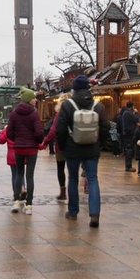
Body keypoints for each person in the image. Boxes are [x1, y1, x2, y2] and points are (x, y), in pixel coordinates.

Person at [56, 75, 107, 228]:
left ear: (74, 88)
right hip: (92, 148)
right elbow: (105, 127)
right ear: (88, 88)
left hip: (72, 148)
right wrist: (100, 144)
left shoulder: (67, 105)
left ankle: (73, 212)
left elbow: (60, 129)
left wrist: (63, 146)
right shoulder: (98, 106)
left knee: (72, 178)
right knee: (92, 179)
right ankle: (94, 214)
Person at [7, 87, 43, 215]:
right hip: (32, 149)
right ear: (28, 99)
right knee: (30, 176)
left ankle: (16, 201)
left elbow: (9, 133)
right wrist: (38, 140)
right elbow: (39, 133)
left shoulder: (14, 114)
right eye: (34, 98)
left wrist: (17, 139)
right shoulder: (34, 114)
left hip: (19, 148)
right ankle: (28, 205)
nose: (35, 100)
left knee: (19, 174)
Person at [40, 92, 72, 200]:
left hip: (61, 146)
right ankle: (73, 192)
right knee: (73, 170)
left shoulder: (60, 113)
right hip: (74, 145)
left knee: (60, 168)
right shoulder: (76, 112)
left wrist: (45, 142)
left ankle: (63, 192)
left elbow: (53, 130)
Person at [0, 125, 26, 201]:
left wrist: (4, 130)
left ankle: (16, 194)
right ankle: (23, 188)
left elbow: (1, 140)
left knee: (14, 175)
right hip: (21, 153)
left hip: (11, 155)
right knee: (21, 173)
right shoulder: (22, 127)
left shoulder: (8, 129)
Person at [121, 101, 140, 172]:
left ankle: (128, 166)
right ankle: (128, 166)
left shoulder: (125, 113)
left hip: (127, 133)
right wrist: (137, 112)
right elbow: (137, 119)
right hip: (129, 134)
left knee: (129, 150)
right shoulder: (128, 113)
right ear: (132, 106)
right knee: (129, 150)